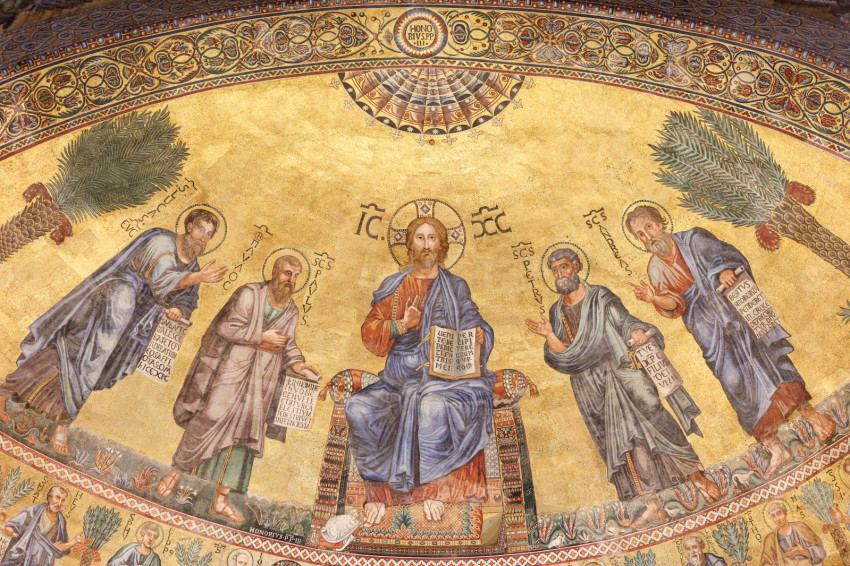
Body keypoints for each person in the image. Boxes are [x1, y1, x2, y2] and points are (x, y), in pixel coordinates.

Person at [626, 205, 834, 476]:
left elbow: (727, 257)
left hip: (732, 311)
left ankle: (812, 417)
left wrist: (724, 270)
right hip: (707, 330)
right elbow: (675, 304)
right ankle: (774, 447)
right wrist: (653, 297)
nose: (647, 237)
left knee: (767, 362)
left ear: (660, 223)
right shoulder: (655, 269)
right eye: (640, 235)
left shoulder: (694, 239)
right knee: (734, 381)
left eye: (648, 228)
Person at [0, 209, 227, 455]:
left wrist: (178, 309)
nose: (203, 238)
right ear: (189, 226)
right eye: (200, 230)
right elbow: (160, 281)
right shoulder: (162, 242)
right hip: (112, 304)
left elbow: (188, 299)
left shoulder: (193, 266)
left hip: (132, 325)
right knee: (76, 354)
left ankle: (51, 422)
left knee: (98, 367)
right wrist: (195, 277)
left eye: (209, 235)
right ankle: (22, 403)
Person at [526, 248, 718, 528]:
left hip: (621, 369)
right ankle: (651, 502)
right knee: (625, 441)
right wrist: (549, 335)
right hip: (590, 385)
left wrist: (634, 331)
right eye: (554, 270)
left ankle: (696, 475)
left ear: (577, 266)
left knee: (653, 410)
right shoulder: (556, 312)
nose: (560, 274)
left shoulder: (600, 296)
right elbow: (564, 354)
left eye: (564, 267)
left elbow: (623, 320)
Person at [345, 217, 495, 527]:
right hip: (398, 379)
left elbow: (473, 321)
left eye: (432, 238)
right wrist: (402, 324)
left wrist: (480, 334)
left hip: (446, 379)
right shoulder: (395, 286)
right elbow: (370, 332)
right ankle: (379, 495)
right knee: (359, 407)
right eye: (420, 238)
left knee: (432, 406)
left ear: (442, 245)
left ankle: (435, 490)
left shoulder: (455, 286)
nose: (426, 245)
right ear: (410, 245)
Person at [156, 255, 318, 525]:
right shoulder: (249, 294)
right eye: (286, 273)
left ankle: (220, 500)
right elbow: (226, 327)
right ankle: (175, 474)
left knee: (244, 438)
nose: (290, 280)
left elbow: (288, 344)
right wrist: (260, 337)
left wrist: (299, 364)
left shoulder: (291, 310)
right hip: (233, 367)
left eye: (295, 276)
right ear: (274, 271)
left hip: (263, 379)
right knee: (209, 418)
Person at [1, 486, 84, 566]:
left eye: (63, 500)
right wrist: (11, 527)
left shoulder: (61, 522)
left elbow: (57, 548)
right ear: (50, 498)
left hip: (43, 562)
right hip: (22, 557)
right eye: (57, 498)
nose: (59, 503)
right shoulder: (34, 510)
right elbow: (17, 522)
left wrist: (75, 541)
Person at [760, 501, 825, 565]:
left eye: (779, 514)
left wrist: (804, 551)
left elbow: (821, 551)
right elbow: (765, 562)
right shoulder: (770, 539)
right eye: (773, 516)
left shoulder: (801, 527)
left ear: (785, 513)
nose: (777, 519)